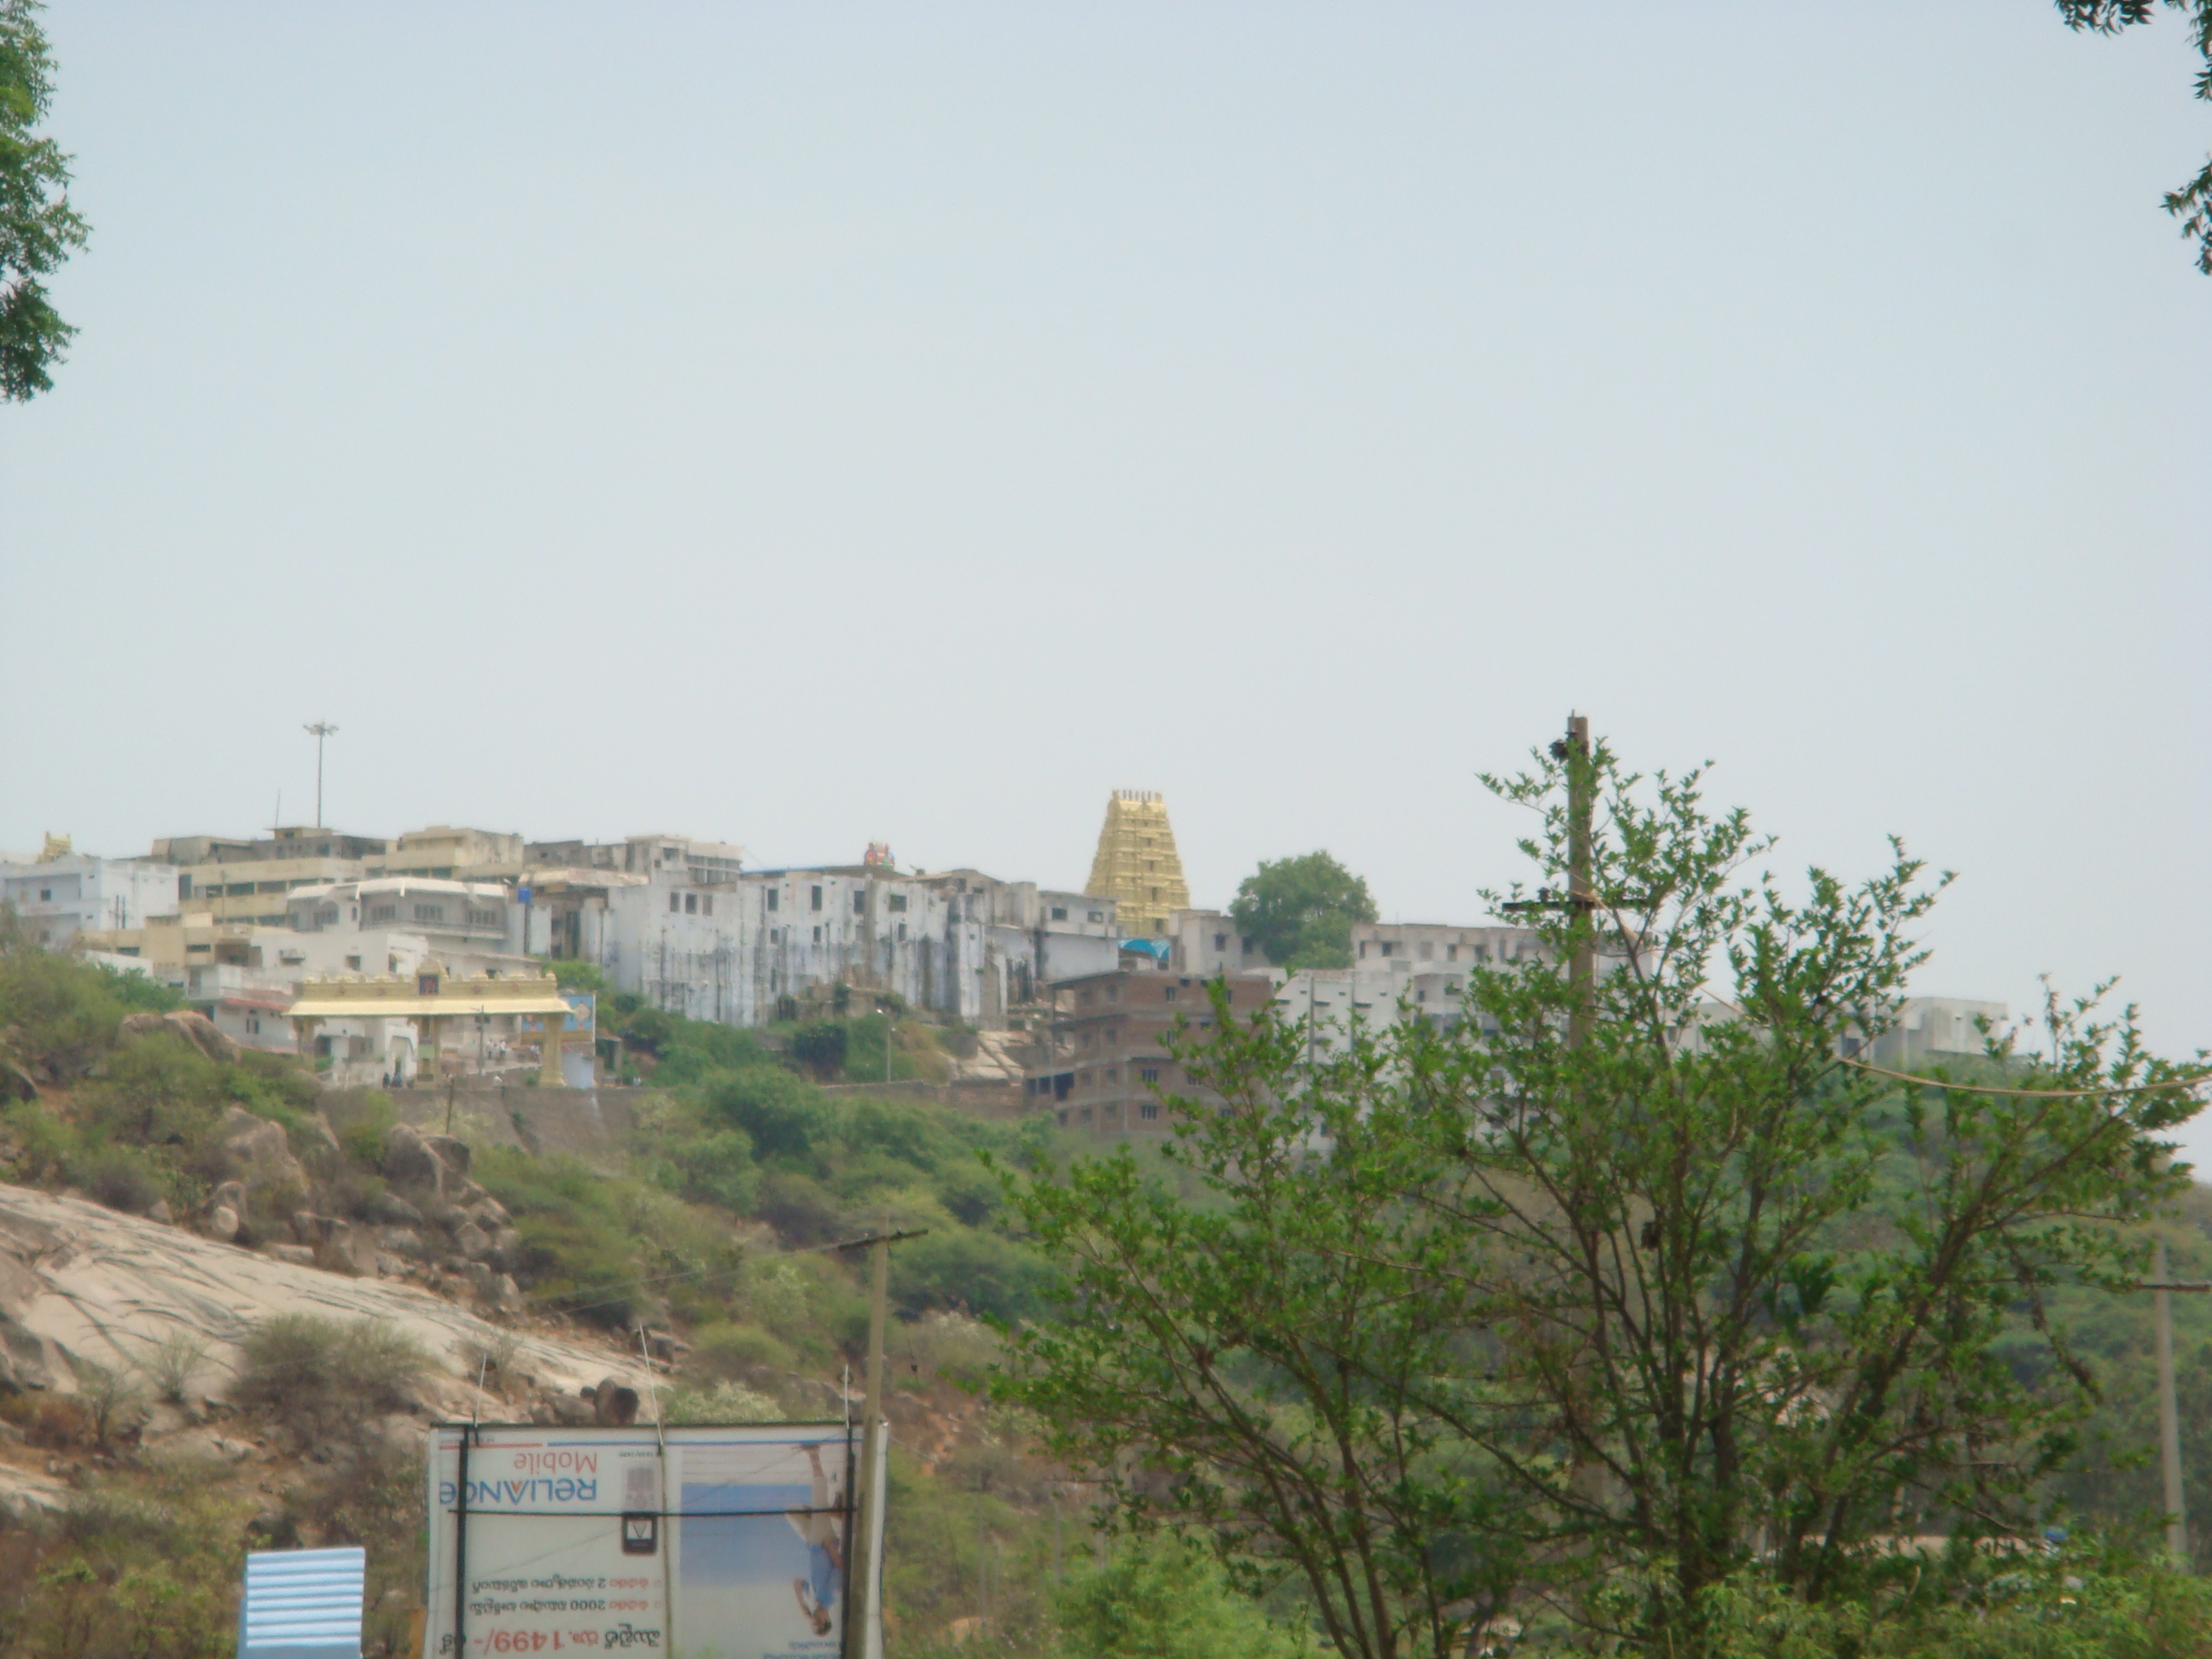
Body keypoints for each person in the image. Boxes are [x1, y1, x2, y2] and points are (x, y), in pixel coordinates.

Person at [786, 1441, 845, 1637]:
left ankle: (828, 1513)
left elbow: (797, 1582)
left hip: (812, 1544)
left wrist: (803, 1606)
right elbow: (839, 1566)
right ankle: (814, 1455)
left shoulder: (814, 1597)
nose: (816, 1618)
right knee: (819, 1498)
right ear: (827, 1619)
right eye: (819, 1621)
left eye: (814, 1622)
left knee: (792, 1511)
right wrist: (829, 1546)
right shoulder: (830, 1596)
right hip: (823, 1542)